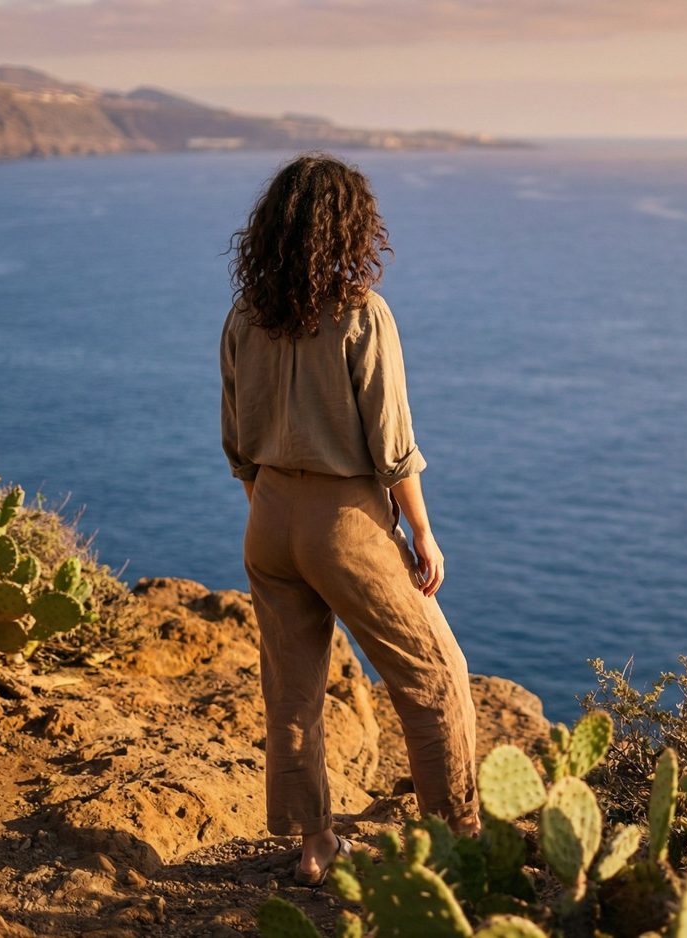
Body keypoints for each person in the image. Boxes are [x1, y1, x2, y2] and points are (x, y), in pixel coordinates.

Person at [219, 152, 480, 887]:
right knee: (435, 675)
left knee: (293, 690)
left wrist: (270, 511)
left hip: (268, 517)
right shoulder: (362, 313)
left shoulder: (244, 315)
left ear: (270, 230)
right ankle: (456, 844)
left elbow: (237, 439)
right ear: (351, 229)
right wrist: (421, 532)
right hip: (348, 522)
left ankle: (315, 846)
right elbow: (392, 443)